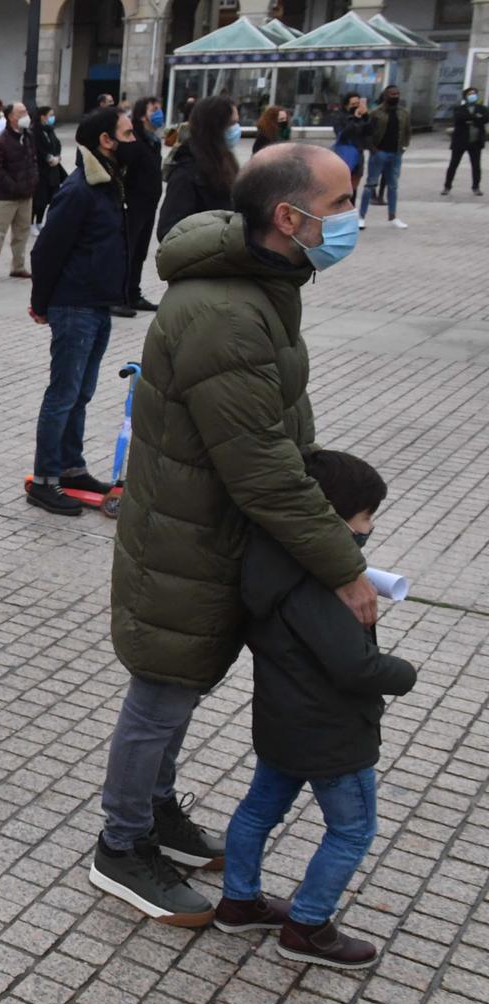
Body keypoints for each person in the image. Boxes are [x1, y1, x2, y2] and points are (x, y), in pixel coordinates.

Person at [94, 143, 377, 927]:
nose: (354, 216)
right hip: (189, 542)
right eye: (342, 202)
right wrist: (341, 567)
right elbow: (261, 470)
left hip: (212, 532)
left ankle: (155, 813)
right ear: (290, 217)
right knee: (160, 696)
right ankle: (121, 846)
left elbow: (277, 437)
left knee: (177, 694)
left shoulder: (262, 284)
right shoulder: (227, 312)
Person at [216, 449, 414, 968]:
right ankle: (308, 927)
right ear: (331, 518)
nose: (370, 527)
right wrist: (404, 673)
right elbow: (354, 668)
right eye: (366, 515)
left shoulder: (269, 559)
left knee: (259, 810)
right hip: (331, 734)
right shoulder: (319, 584)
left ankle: (239, 902)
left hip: (283, 723)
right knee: (353, 829)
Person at [25, 107, 133, 516]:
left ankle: (70, 468)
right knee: (63, 394)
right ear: (106, 141)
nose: (134, 141)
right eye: (127, 134)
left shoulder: (108, 185)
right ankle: (46, 479)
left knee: (81, 394)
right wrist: (40, 302)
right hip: (74, 305)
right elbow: (46, 249)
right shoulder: (80, 190)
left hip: (96, 303)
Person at [156, 93, 241, 243]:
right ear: (215, 127)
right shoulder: (187, 172)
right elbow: (168, 232)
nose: (236, 129)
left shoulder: (226, 163)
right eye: (231, 124)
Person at [115, 97, 165, 316]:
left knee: (140, 252)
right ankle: (117, 297)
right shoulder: (133, 138)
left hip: (149, 204)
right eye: (154, 109)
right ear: (142, 114)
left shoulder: (153, 140)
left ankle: (133, 294)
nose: (159, 113)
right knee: (126, 250)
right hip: (133, 203)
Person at [0, 102, 37, 284]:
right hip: (4, 197)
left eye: (25, 111)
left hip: (25, 196)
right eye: (22, 112)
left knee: (22, 233)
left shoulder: (28, 137)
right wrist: (12, 186)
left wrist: (33, 181)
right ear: (11, 117)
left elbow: (34, 162)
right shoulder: (0, 141)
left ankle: (18, 267)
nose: (26, 115)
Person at [443, 86, 485, 196]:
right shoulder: (459, 108)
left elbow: (485, 119)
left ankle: (476, 187)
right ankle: (447, 186)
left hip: (475, 142)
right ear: (465, 96)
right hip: (460, 141)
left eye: (474, 93)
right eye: (470, 94)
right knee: (453, 164)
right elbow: (459, 118)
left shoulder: (482, 108)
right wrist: (475, 117)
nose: (472, 95)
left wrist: (471, 118)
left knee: (476, 166)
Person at [331, 94, 370, 203]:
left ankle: (351, 208)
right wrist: (354, 119)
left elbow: (369, 132)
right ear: (346, 106)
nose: (356, 106)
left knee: (354, 185)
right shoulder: (340, 118)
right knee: (342, 185)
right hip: (345, 154)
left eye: (358, 104)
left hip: (359, 153)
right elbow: (343, 135)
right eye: (353, 104)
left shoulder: (362, 117)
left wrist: (366, 116)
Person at [32, 106, 66, 226]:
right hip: (42, 170)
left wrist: (57, 157)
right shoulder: (35, 130)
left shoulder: (50, 130)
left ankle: (41, 222)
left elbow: (57, 145)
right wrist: (48, 158)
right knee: (39, 199)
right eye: (50, 115)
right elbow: (37, 149)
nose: (52, 117)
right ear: (43, 116)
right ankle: (32, 223)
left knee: (52, 198)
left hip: (54, 170)